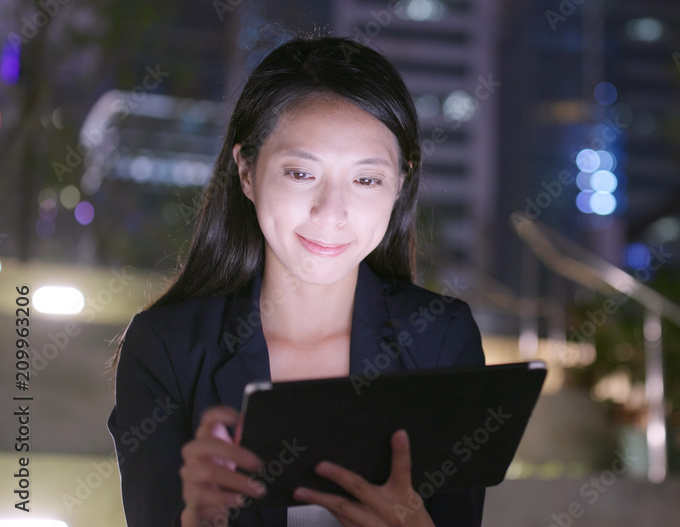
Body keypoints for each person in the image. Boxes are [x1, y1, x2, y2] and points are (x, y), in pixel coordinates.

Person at [107, 35, 486, 527]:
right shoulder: (166, 349)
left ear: (400, 184)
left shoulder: (441, 341)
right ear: (246, 171)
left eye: (366, 179)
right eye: (301, 173)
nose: (331, 212)